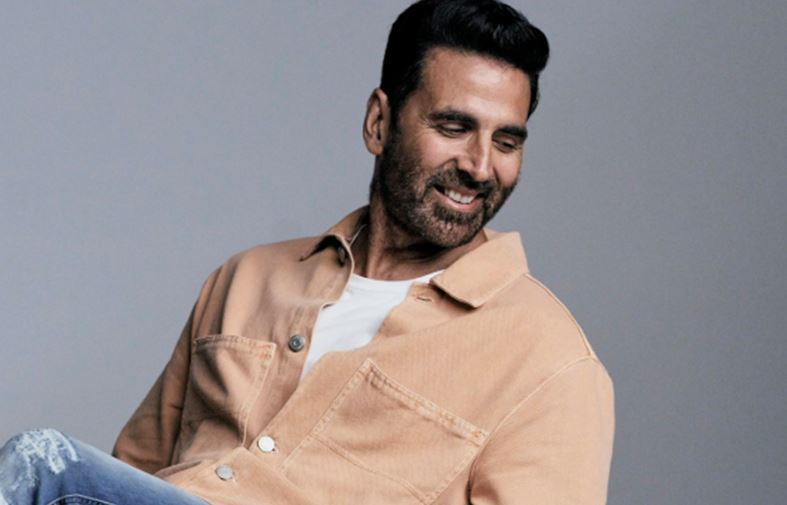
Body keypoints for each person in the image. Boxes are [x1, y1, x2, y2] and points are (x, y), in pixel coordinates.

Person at [0, 0, 614, 504]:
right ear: (379, 123)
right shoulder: (245, 280)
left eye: (506, 141)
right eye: (454, 128)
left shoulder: (550, 363)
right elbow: (129, 476)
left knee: (43, 467)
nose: (480, 166)